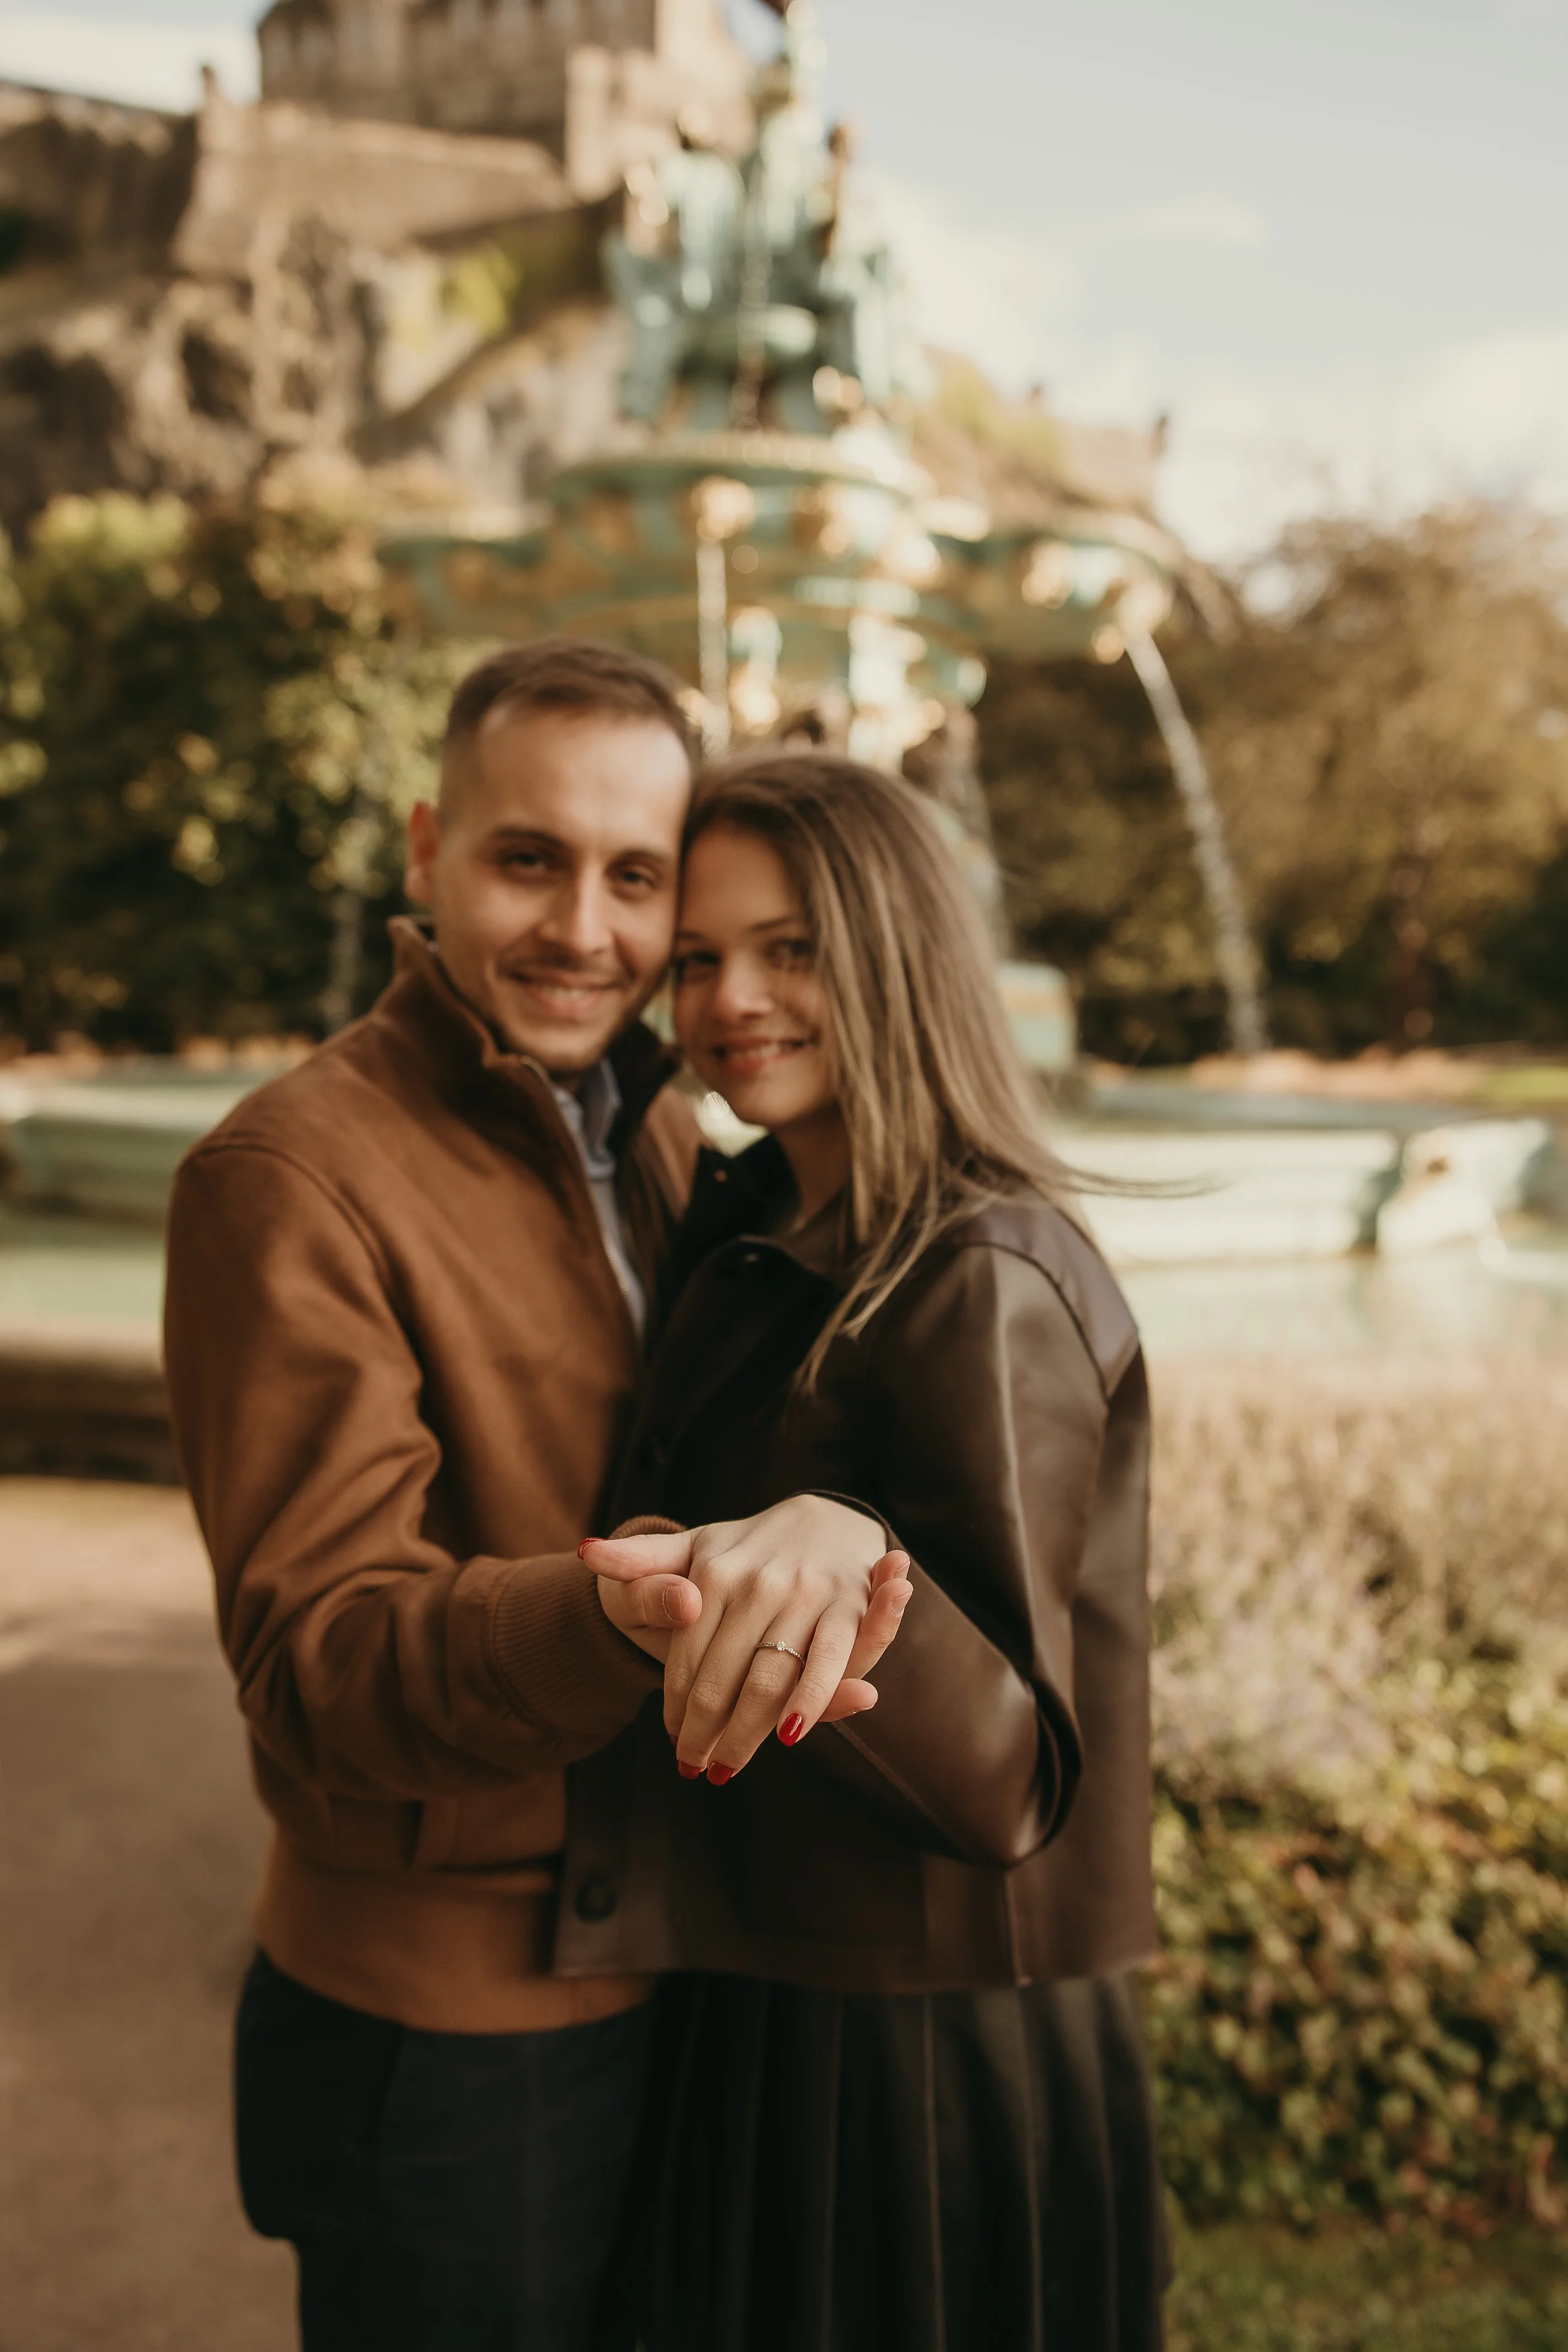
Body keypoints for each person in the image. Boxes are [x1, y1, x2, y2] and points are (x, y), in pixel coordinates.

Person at [162, 642, 908, 2352]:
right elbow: (322, 1655)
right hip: (444, 2041)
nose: (586, 927)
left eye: (634, 876)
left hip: (660, 1962)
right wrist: (612, 1607)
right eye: (527, 857)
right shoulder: (284, 1176)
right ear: (428, 845)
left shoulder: (650, 1127)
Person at [586, 751, 1167, 2352]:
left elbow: (1009, 1780)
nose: (728, 1000)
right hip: (766, 1981)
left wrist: (852, 1561)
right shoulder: (757, 1219)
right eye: (698, 958)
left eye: (791, 949)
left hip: (922, 2062)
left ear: (896, 953)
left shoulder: (981, 1271)